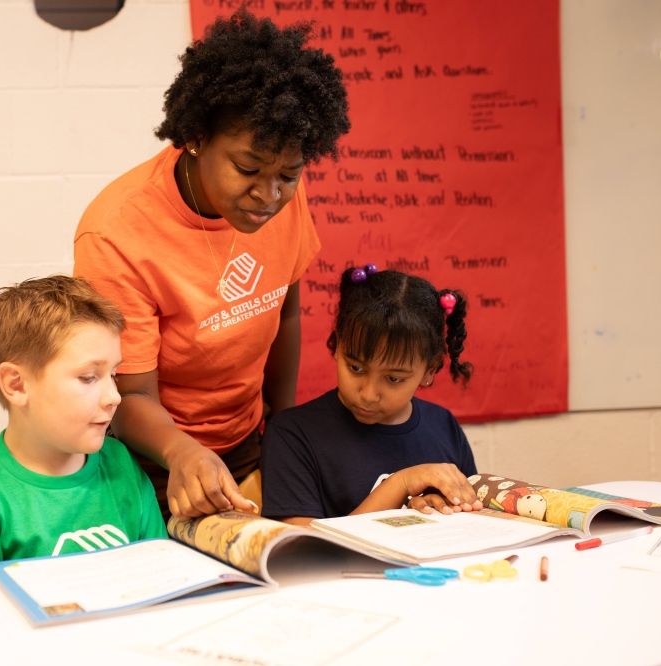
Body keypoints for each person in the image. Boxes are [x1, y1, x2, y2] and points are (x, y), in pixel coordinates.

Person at [73, 9, 350, 520]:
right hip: (149, 460)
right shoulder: (118, 233)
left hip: (246, 441)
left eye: (288, 175)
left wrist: (283, 431)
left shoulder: (279, 192)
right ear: (196, 137)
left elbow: (285, 313)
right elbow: (128, 395)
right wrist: (183, 453)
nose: (269, 194)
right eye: (247, 168)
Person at [0, 276, 166, 576]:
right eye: (88, 378)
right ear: (16, 385)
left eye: (113, 374)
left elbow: (164, 576)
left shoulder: (122, 465)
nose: (114, 397)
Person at [260, 266, 482, 524]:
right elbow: (300, 543)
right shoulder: (292, 434)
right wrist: (400, 484)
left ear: (430, 370)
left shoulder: (444, 427)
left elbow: (474, 519)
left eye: (394, 379)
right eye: (356, 368)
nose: (368, 394)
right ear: (337, 345)